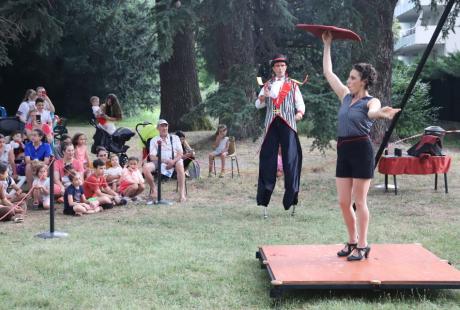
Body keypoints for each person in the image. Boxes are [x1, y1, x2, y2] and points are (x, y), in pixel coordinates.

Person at [322, 31, 400, 261]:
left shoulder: (370, 100)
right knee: (343, 202)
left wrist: (380, 113)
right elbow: (328, 73)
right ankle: (352, 240)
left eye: (353, 78)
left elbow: (373, 111)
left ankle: (363, 244)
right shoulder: (345, 96)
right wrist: (327, 45)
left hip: (362, 150)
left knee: (359, 201)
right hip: (344, 149)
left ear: (363, 81)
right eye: (349, 77)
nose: (348, 80)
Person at [255, 54, 305, 218]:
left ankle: (290, 198)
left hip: (288, 124)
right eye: (277, 66)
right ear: (273, 68)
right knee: (267, 160)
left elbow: (300, 104)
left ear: (286, 68)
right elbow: (258, 105)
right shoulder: (267, 84)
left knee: (290, 160)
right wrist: (262, 97)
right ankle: (264, 198)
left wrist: (299, 114)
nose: (280, 68)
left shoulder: (293, 85)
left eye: (282, 65)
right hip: (271, 124)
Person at [142, 119, 186, 204]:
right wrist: (164, 161)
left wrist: (173, 161)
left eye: (166, 126)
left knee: (180, 165)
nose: (164, 128)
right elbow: (152, 156)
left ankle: (182, 194)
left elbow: (180, 153)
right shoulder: (154, 140)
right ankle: (154, 190)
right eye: (162, 126)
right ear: (158, 128)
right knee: (145, 167)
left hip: (174, 160)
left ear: (168, 127)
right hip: (160, 161)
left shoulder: (175, 138)